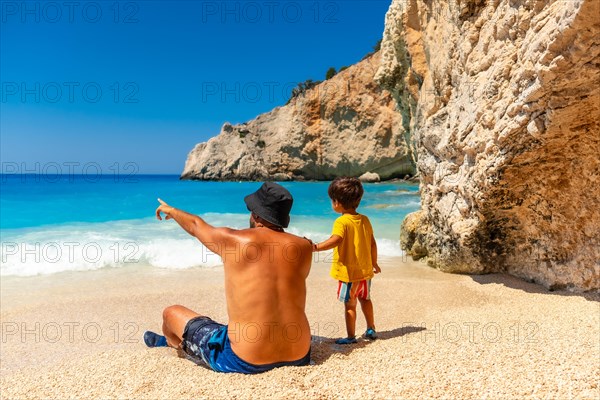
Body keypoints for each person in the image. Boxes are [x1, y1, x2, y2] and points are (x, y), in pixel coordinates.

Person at [144, 182, 313, 374]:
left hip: (243, 359)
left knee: (171, 313)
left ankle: (169, 342)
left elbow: (195, 225)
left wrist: (171, 210)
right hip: (299, 355)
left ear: (256, 215)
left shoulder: (234, 240)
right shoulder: (305, 247)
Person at [312, 177, 381, 344]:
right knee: (366, 299)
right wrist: (374, 263)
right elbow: (372, 242)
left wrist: (315, 247)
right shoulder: (364, 219)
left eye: (332, 200)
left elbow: (336, 240)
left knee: (350, 305)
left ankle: (351, 337)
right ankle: (371, 328)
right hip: (365, 272)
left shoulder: (341, 221)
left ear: (337, 202)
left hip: (349, 273)